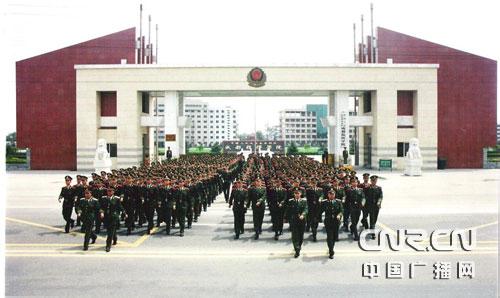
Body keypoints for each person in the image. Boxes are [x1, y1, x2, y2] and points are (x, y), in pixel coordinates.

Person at [101, 187, 126, 252]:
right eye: (108, 191)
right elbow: (101, 207)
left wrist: (124, 213)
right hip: (106, 217)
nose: (109, 192)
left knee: (110, 232)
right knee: (110, 230)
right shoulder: (103, 198)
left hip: (114, 217)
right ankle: (115, 238)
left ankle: (108, 246)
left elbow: (120, 206)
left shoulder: (116, 199)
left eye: (110, 191)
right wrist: (101, 212)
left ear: (113, 192)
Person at [285, 189, 308, 258]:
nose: (297, 195)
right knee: (295, 236)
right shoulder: (291, 201)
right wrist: (285, 218)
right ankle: (296, 249)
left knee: (301, 235)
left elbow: (306, 209)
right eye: (295, 193)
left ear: (300, 194)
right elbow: (288, 210)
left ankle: (299, 246)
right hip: (294, 220)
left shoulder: (304, 201)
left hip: (302, 220)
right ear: (294, 194)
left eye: (298, 193)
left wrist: (303, 215)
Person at [321, 189, 343, 259]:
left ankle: (331, 247)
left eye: (333, 194)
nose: (331, 195)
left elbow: (342, 210)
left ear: (334, 195)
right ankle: (331, 251)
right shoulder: (324, 202)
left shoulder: (338, 202)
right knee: (330, 237)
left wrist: (339, 215)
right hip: (328, 221)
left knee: (334, 237)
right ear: (328, 195)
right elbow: (320, 211)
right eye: (330, 194)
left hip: (336, 221)